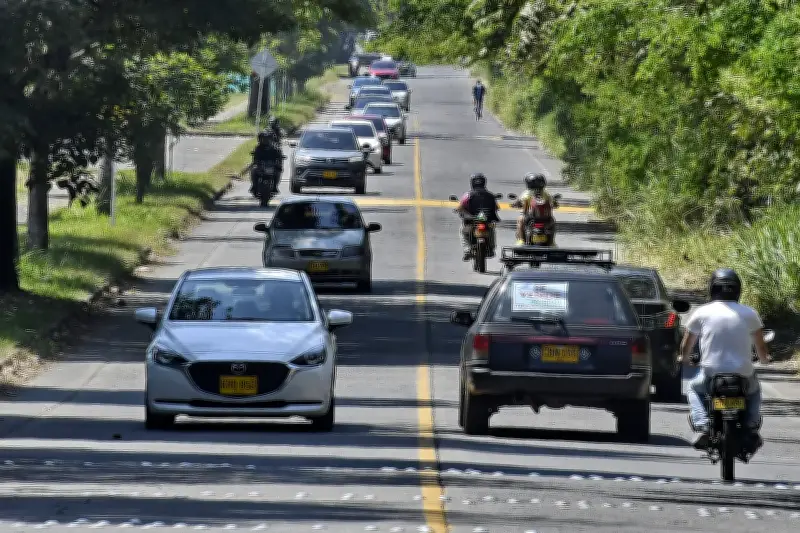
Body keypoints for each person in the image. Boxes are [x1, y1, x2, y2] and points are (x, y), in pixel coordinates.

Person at [679, 268, 771, 451]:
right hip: (743, 372)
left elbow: (686, 344)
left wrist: (685, 358)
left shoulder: (701, 313)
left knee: (694, 389)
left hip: (711, 372)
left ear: (712, 288)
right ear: (738, 290)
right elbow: (761, 348)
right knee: (754, 392)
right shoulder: (750, 314)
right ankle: (752, 426)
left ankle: (703, 424)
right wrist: (765, 359)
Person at [455, 173, 500, 261]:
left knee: (463, 231)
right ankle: (491, 248)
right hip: (487, 220)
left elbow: (460, 207)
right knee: (492, 230)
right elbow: (496, 208)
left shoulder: (467, 195)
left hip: (472, 220)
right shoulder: (490, 195)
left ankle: (467, 250)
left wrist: (458, 210)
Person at [515, 172, 556, 244]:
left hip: (530, 217)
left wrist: (517, 204)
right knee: (552, 221)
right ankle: (552, 241)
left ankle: (521, 240)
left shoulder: (526, 193)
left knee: (520, 220)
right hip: (545, 218)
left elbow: (520, 202)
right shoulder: (546, 193)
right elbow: (553, 202)